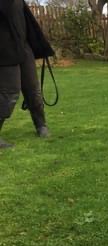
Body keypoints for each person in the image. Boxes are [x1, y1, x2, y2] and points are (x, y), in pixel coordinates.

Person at [0, 0, 54, 148]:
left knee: (33, 89)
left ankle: (41, 125)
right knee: (9, 92)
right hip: (5, 48)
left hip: (23, 47)